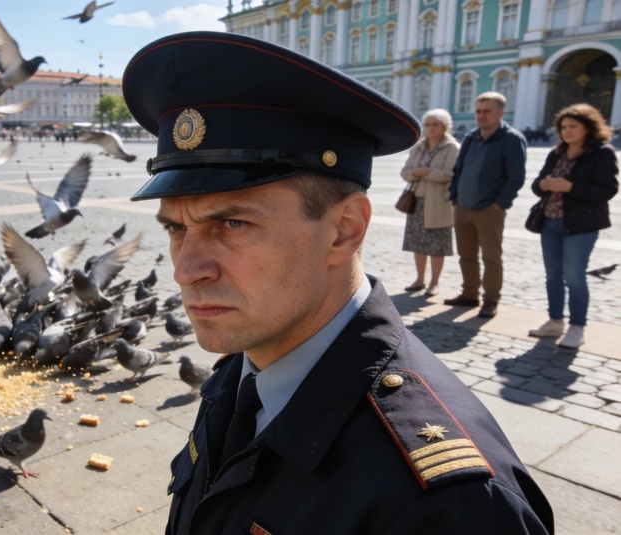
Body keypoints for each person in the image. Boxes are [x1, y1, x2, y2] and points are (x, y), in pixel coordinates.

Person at [123, 31, 553, 535]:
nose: (185, 269)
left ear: (344, 230)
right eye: (176, 227)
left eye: (232, 224)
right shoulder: (250, 365)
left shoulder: (449, 506)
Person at [528, 104, 619, 349]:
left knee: (575, 277)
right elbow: (536, 186)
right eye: (563, 127)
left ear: (588, 127)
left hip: (581, 225)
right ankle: (555, 320)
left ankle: (577, 327)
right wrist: (544, 184)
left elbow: (608, 190)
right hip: (550, 221)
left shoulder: (601, 153)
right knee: (553, 276)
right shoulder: (557, 152)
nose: (567, 131)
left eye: (573, 126)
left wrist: (569, 187)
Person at [446, 92, 527, 318]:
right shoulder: (471, 137)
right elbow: (458, 169)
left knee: (491, 257)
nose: (481, 116)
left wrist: (500, 204)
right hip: (462, 206)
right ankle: (469, 293)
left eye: (487, 111)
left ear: (501, 113)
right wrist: (454, 196)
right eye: (478, 111)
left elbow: (516, 177)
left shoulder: (511, 139)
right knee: (466, 255)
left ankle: (491, 300)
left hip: (489, 210)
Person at [399, 108, 459, 297]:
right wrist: (417, 172)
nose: (431, 128)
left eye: (435, 124)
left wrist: (426, 172)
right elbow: (406, 172)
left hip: (438, 202)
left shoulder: (451, 147)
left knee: (436, 245)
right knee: (417, 243)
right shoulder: (419, 147)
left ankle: (434, 282)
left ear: (444, 127)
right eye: (428, 124)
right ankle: (419, 279)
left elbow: (451, 174)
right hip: (417, 200)